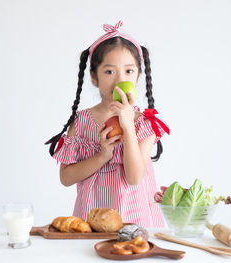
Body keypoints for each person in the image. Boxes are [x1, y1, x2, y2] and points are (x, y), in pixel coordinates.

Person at [46, 21, 170, 227]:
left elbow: (134, 177)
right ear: (94, 77)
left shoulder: (145, 123)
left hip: (134, 222)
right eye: (109, 72)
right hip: (91, 221)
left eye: (129, 71)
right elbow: (66, 178)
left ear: (138, 75)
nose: (120, 79)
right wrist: (102, 156)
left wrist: (128, 126)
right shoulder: (82, 121)